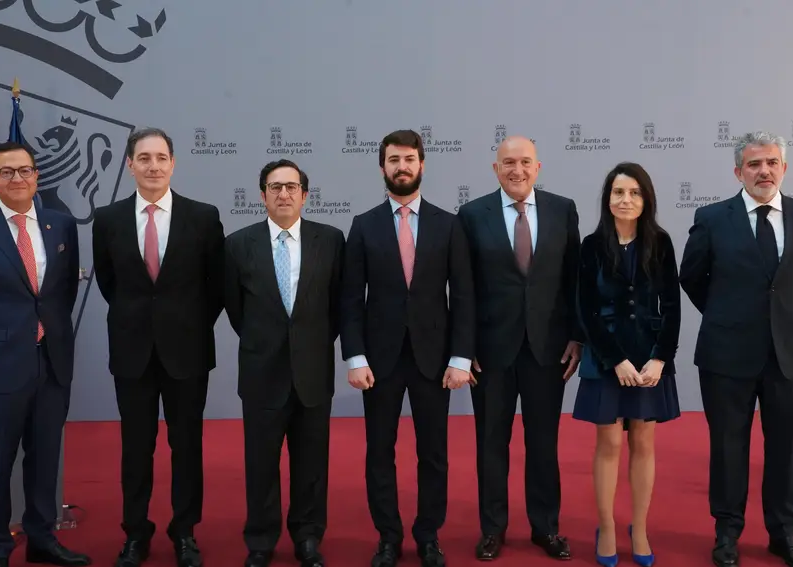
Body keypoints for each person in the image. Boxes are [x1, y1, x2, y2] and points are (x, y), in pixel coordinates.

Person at [679, 131, 793, 567]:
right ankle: (727, 534)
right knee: (728, 449)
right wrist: (728, 314)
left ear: (784, 168)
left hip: (792, 354)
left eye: (771, 163)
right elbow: (692, 278)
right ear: (737, 171)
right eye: (754, 164)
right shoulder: (711, 218)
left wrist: (782, 317)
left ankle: (784, 533)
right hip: (727, 353)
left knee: (787, 448)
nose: (764, 171)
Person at [0, 141, 91, 567]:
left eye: (25, 170)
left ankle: (43, 539)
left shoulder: (60, 225)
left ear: (37, 176)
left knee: (45, 458)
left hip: (52, 362)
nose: (17, 179)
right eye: (6, 172)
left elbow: (60, 293)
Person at [341, 129, 475, 567]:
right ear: (382, 166)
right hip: (378, 362)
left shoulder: (448, 224)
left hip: (434, 360)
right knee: (379, 451)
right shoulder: (362, 225)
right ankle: (388, 536)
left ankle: (428, 535)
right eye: (394, 159)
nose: (402, 166)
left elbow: (464, 296)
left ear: (422, 164)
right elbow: (350, 298)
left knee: (433, 452)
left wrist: (459, 357)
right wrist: (354, 356)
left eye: (410, 159)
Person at [92, 128, 226, 567]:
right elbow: (110, 283)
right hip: (131, 352)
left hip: (186, 352)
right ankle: (135, 532)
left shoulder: (203, 216)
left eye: (161, 157)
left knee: (187, 446)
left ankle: (184, 532)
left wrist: (182, 324)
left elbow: (216, 287)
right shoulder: (108, 218)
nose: (153, 166)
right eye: (144, 158)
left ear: (173, 164)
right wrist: (143, 322)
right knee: (136, 447)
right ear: (129, 164)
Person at [456, 135, 581, 561]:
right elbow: (464, 288)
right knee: (491, 443)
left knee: (543, 443)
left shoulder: (563, 210)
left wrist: (577, 336)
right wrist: (463, 347)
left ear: (538, 167)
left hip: (548, 350)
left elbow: (573, 281)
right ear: (495, 169)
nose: (517, 170)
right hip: (490, 352)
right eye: (508, 162)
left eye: (525, 162)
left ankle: (545, 527)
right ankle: (493, 529)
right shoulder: (472, 215)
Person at [224, 159, 345, 567]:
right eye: (275, 187)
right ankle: (261, 540)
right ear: (262, 196)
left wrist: (307, 345)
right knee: (260, 464)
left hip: (313, 372)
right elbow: (237, 310)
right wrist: (267, 343)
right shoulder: (238, 244)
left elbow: (337, 307)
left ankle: (308, 537)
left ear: (305, 195)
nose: (283, 194)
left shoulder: (330, 240)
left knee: (312, 464)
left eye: (292, 187)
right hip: (261, 373)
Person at [572, 162, 681, 567]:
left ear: (646, 199)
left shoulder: (662, 242)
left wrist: (659, 358)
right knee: (610, 443)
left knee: (644, 443)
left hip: (649, 356)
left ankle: (639, 526)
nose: (626, 200)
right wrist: (613, 358)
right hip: (606, 358)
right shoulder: (590, 244)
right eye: (618, 192)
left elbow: (671, 307)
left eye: (634, 192)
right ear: (607, 199)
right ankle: (607, 526)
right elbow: (586, 309)